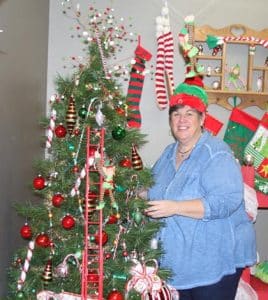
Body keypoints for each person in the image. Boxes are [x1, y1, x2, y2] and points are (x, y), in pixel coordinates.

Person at [140, 75, 257, 300]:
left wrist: (175, 207)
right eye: (176, 114)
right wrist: (127, 185)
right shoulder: (168, 153)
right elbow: (152, 189)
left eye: (189, 114)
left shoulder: (216, 152)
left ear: (202, 119)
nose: (181, 120)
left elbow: (225, 201)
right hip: (180, 262)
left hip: (213, 261)